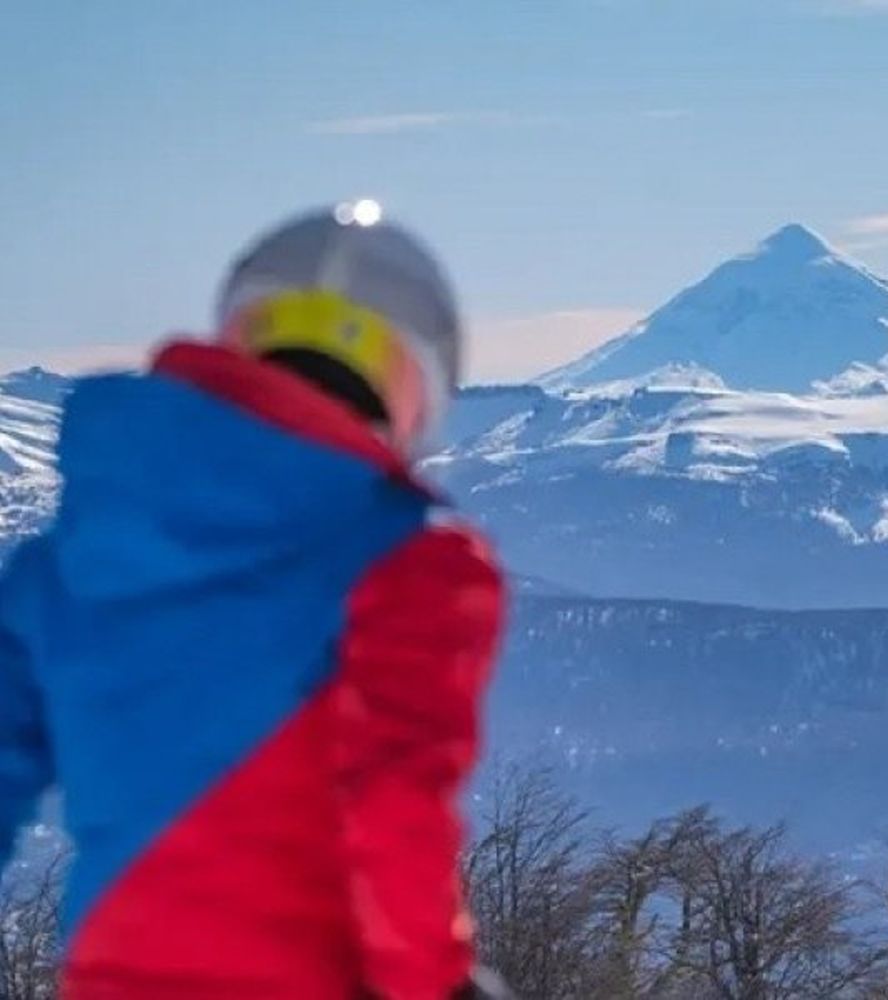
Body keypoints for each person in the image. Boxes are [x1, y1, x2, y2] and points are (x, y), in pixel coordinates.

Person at [0, 203, 510, 998]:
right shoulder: (411, 564)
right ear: (415, 382)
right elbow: (395, 807)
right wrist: (432, 983)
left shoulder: (70, 558)